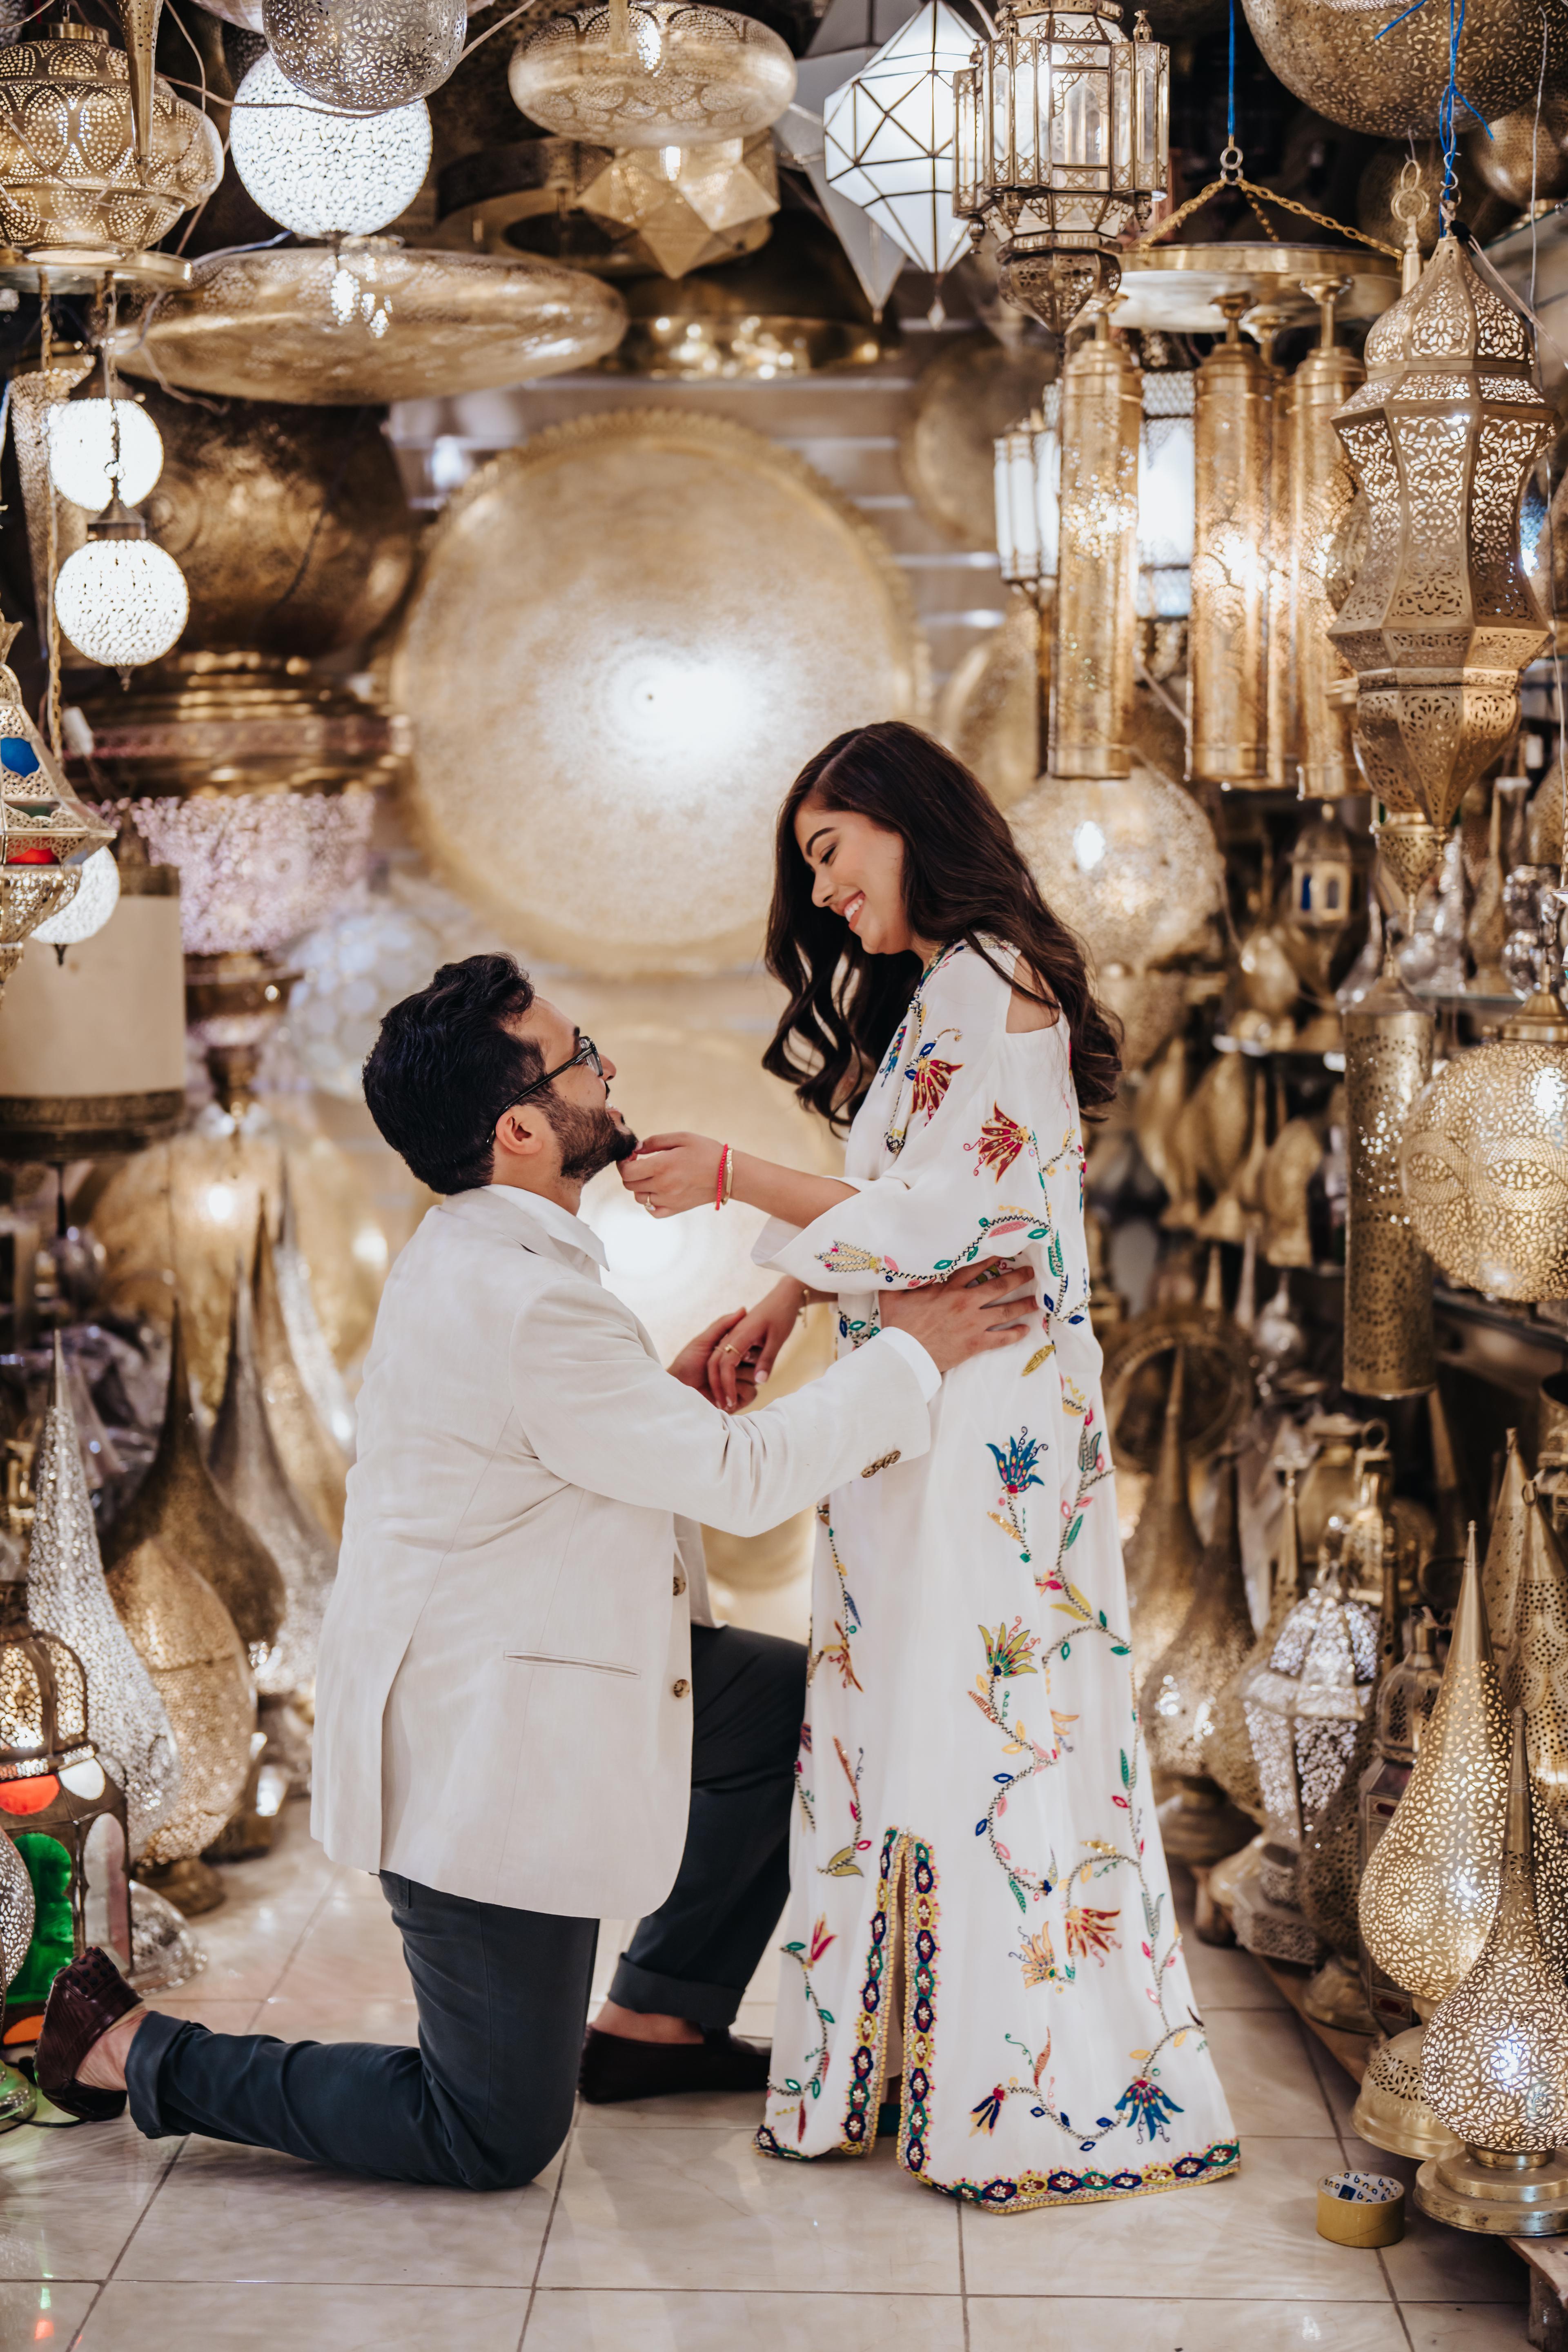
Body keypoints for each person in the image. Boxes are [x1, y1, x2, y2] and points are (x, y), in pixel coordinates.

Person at [31, 953, 1037, 2190]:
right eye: (580, 1057)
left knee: (799, 1712)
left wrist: (661, 1404)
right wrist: (915, 1357)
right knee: (491, 2132)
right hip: (484, 1742)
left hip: (542, 1661)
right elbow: (744, 1482)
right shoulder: (524, 1296)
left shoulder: (490, 1255)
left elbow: (531, 1457)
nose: (606, 1071)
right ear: (521, 1126)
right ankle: (128, 2049)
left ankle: (655, 2019)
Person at [619, 722, 1240, 2214]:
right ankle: (911, 2067)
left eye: (830, 850)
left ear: (907, 819)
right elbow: (906, 1196)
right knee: (903, 1718)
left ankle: (1019, 2089)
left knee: (981, 1727)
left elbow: (952, 1215)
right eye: (810, 868)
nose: (823, 892)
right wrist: (777, 1301)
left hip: (989, 1415)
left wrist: (727, 1180)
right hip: (937, 1399)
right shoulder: (943, 997)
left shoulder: (993, 974)